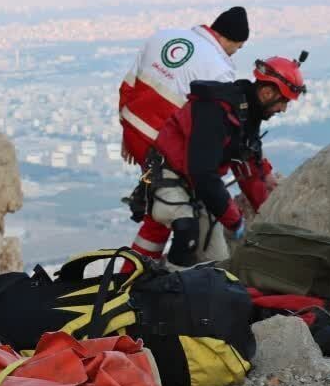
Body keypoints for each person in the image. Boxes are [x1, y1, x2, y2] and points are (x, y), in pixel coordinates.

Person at [125, 54, 308, 268]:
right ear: (268, 93)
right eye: (284, 101)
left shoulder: (246, 115)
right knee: (186, 230)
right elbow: (202, 172)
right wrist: (233, 219)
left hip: (194, 189)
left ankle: (175, 287)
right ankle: (166, 292)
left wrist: (266, 210)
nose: (283, 109)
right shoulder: (216, 110)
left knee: (218, 261)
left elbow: (246, 168)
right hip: (169, 177)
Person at [119, 6, 250, 167]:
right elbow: (209, 128)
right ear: (232, 39)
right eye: (238, 47)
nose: (234, 53)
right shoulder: (221, 70)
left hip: (133, 132)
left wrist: (128, 132)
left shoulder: (162, 36)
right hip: (163, 148)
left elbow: (128, 86)